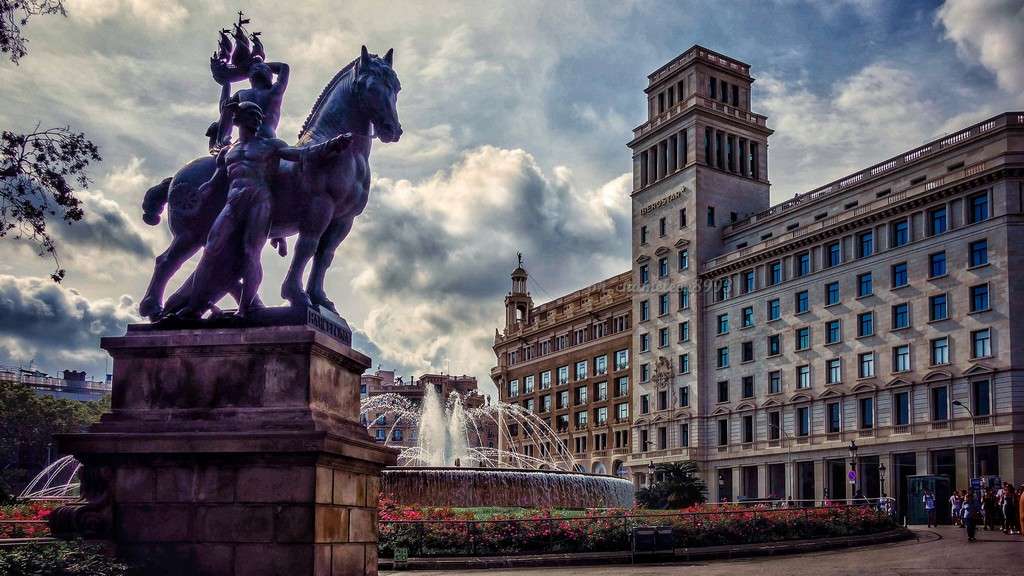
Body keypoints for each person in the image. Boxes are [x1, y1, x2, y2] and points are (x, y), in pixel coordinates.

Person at [182, 101, 351, 318]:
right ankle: (192, 306)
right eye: (252, 115)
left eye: (259, 116)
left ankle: (245, 308)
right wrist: (202, 192)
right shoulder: (228, 151)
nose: (258, 120)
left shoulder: (270, 146)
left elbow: (300, 154)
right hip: (233, 203)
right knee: (212, 247)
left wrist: (329, 145)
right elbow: (216, 182)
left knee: (250, 252)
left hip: (259, 201)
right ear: (238, 120)